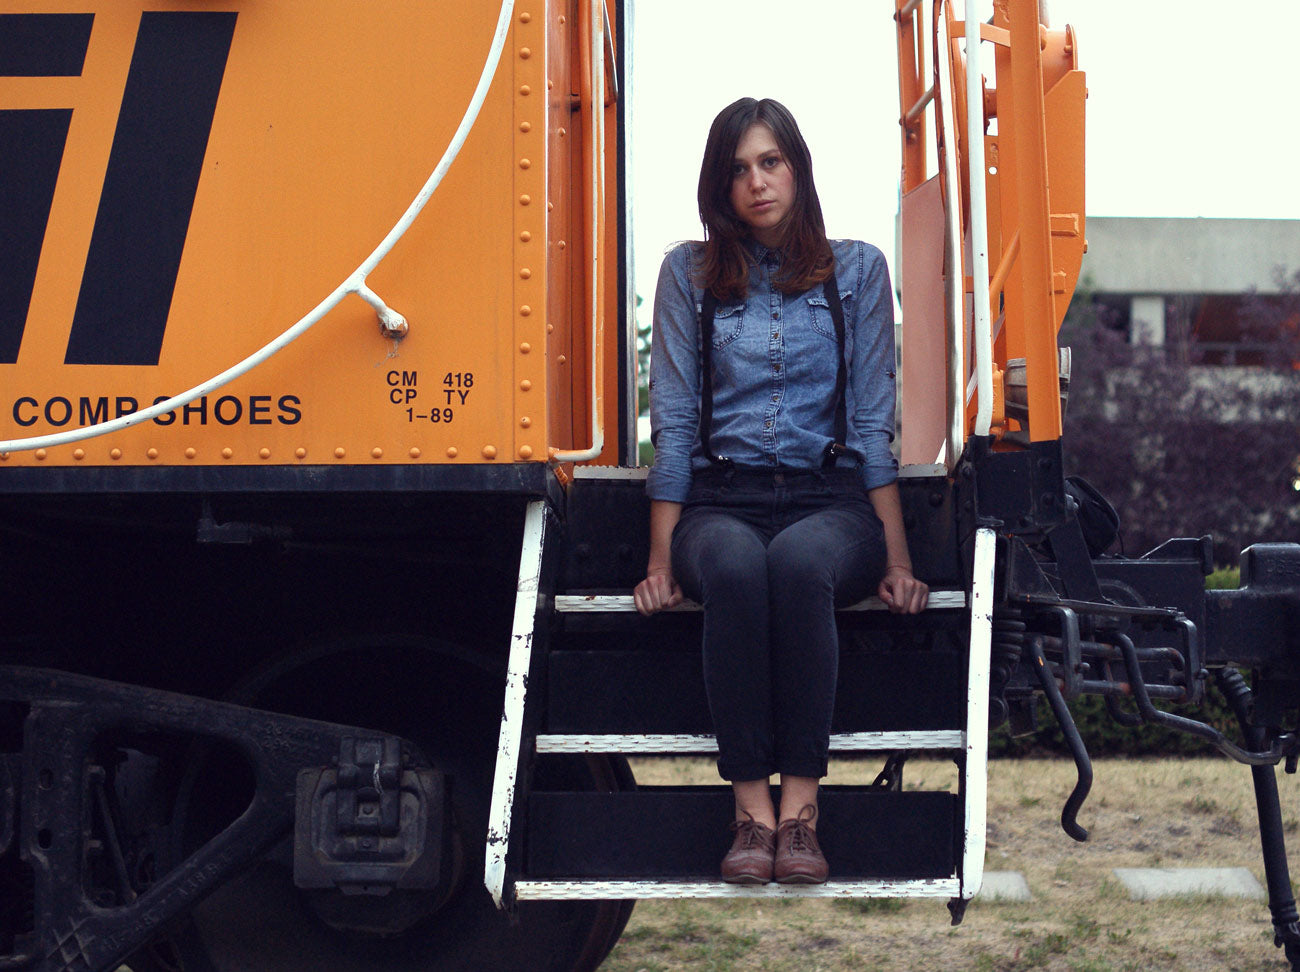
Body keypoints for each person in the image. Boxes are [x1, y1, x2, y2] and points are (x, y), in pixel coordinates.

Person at [633, 97, 929, 885]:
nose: (757, 183)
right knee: (733, 567)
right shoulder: (687, 274)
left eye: (771, 162)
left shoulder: (857, 270)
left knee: (800, 564)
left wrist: (898, 560)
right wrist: (659, 562)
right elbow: (675, 424)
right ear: (719, 184)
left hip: (830, 502)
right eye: (738, 169)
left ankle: (800, 814)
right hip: (719, 502)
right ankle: (751, 814)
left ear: (798, 169)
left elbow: (871, 424)